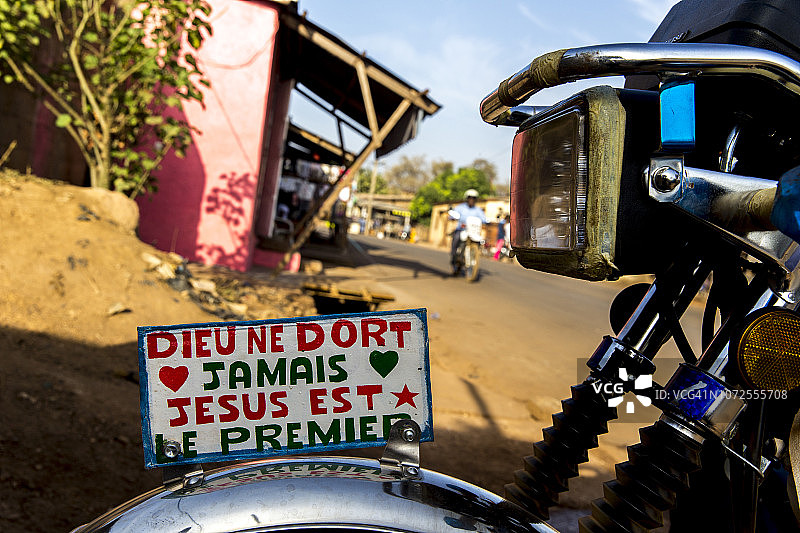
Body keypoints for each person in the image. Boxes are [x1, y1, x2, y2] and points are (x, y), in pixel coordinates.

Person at [449, 189, 487, 272]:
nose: (471, 200)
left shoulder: (478, 210)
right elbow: (453, 214)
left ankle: (472, 257)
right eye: (470, 198)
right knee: (456, 239)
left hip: (473, 232)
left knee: (480, 242)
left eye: (474, 198)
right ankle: (454, 257)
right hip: (461, 230)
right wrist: (452, 216)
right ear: (466, 198)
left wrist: (488, 221)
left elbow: (484, 219)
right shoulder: (460, 207)